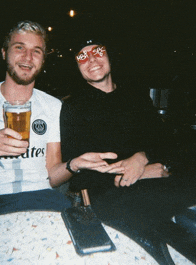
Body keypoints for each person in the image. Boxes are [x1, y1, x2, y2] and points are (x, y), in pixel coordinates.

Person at [47, 38, 196, 264]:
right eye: (82, 56)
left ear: (109, 56)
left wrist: (141, 157)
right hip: (108, 196)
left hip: (156, 184)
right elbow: (80, 171)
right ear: (77, 67)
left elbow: (167, 142)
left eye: (98, 51)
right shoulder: (73, 108)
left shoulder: (135, 96)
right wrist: (134, 174)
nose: (92, 60)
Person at [0, 20, 71, 219]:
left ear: (43, 60)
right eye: (19, 47)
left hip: (43, 200)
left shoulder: (53, 106)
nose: (28, 57)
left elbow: (52, 175)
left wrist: (77, 164)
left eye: (37, 51)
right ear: (4, 53)